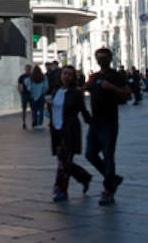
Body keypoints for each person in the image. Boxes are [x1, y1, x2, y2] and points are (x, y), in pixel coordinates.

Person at [85, 48, 130, 206]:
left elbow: (127, 94)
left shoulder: (116, 76)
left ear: (110, 59)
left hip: (109, 121)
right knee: (90, 154)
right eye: (98, 58)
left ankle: (108, 190)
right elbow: (84, 89)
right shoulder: (94, 77)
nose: (101, 60)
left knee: (108, 154)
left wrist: (112, 88)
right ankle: (112, 178)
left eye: (103, 57)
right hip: (95, 121)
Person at [49, 66, 92, 202]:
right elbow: (53, 109)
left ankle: (62, 190)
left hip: (70, 130)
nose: (66, 76)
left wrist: (93, 123)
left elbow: (83, 111)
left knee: (64, 161)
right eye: (64, 73)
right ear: (60, 76)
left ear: (73, 78)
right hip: (56, 130)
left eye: (70, 75)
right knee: (63, 160)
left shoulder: (75, 93)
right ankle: (84, 177)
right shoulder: (55, 91)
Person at [17, 64, 32, 130]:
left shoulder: (32, 76)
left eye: (29, 68)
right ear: (25, 69)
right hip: (24, 94)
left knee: (33, 109)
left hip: (31, 94)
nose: (28, 70)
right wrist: (20, 92)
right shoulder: (22, 77)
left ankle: (33, 122)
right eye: (27, 68)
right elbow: (19, 85)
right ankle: (24, 122)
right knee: (24, 109)